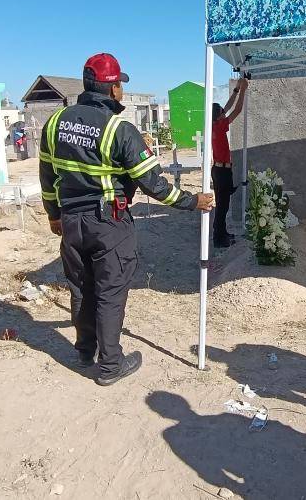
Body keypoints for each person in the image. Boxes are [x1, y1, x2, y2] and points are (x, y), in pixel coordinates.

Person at [39, 53, 214, 386]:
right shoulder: (119, 129)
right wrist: (193, 202)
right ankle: (110, 366)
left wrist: (53, 215)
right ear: (113, 88)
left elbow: (47, 175)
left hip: (72, 222)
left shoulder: (55, 122)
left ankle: (84, 351)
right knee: (109, 292)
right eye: (120, 85)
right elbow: (156, 185)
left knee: (81, 288)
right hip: (109, 224)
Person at [211, 77, 248, 248]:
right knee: (222, 207)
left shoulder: (214, 124)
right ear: (218, 117)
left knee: (222, 205)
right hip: (222, 172)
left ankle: (222, 233)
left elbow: (227, 107)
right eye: (222, 112)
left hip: (221, 170)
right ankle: (219, 238)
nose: (224, 113)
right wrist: (244, 90)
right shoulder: (218, 126)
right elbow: (237, 109)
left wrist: (236, 89)